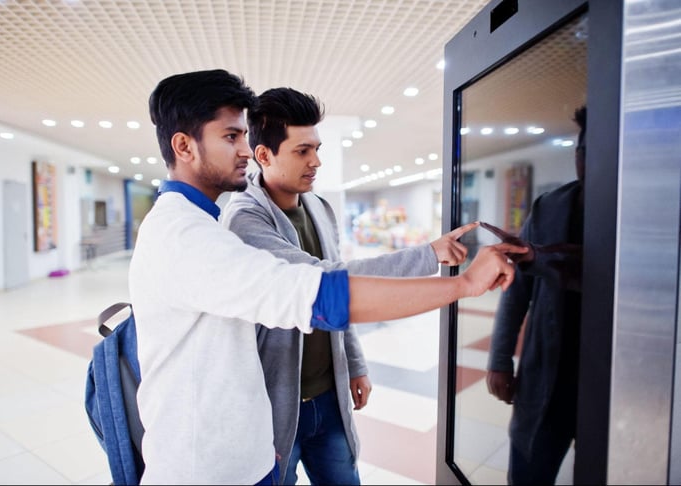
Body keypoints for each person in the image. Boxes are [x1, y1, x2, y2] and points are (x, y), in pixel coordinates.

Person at [130, 68, 525, 485]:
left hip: (248, 448)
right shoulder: (191, 236)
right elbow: (320, 290)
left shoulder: (208, 224)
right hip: (212, 464)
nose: (245, 150)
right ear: (184, 146)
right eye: (232, 137)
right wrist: (462, 284)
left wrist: (353, 363)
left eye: (244, 135)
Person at [221, 86, 478, 485]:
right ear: (264, 155)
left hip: (329, 396)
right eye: (302, 150)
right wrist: (430, 257)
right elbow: (327, 283)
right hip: (275, 405)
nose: (317, 161)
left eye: (317, 148)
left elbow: (342, 303)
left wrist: (354, 365)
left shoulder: (320, 208)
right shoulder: (244, 221)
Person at [485, 105, 587, 485]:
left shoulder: (644, 212)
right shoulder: (550, 206)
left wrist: (538, 256)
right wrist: (499, 360)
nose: (591, 162)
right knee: (528, 470)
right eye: (585, 151)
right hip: (546, 372)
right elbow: (517, 290)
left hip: (610, 381)